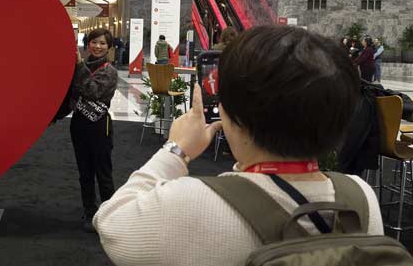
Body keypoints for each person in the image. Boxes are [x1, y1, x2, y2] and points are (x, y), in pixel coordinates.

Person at [94, 26, 383, 266]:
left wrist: (176, 149)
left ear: (233, 115)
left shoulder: (193, 203)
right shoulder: (361, 199)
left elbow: (110, 223)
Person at [70, 28, 118, 233]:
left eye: (102, 43)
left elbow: (92, 90)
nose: (97, 47)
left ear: (109, 47)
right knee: (85, 173)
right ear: (88, 43)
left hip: (99, 126)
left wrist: (79, 65)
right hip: (79, 124)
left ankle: (110, 215)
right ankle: (89, 212)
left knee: (103, 173)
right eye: (94, 42)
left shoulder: (109, 71)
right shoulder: (80, 66)